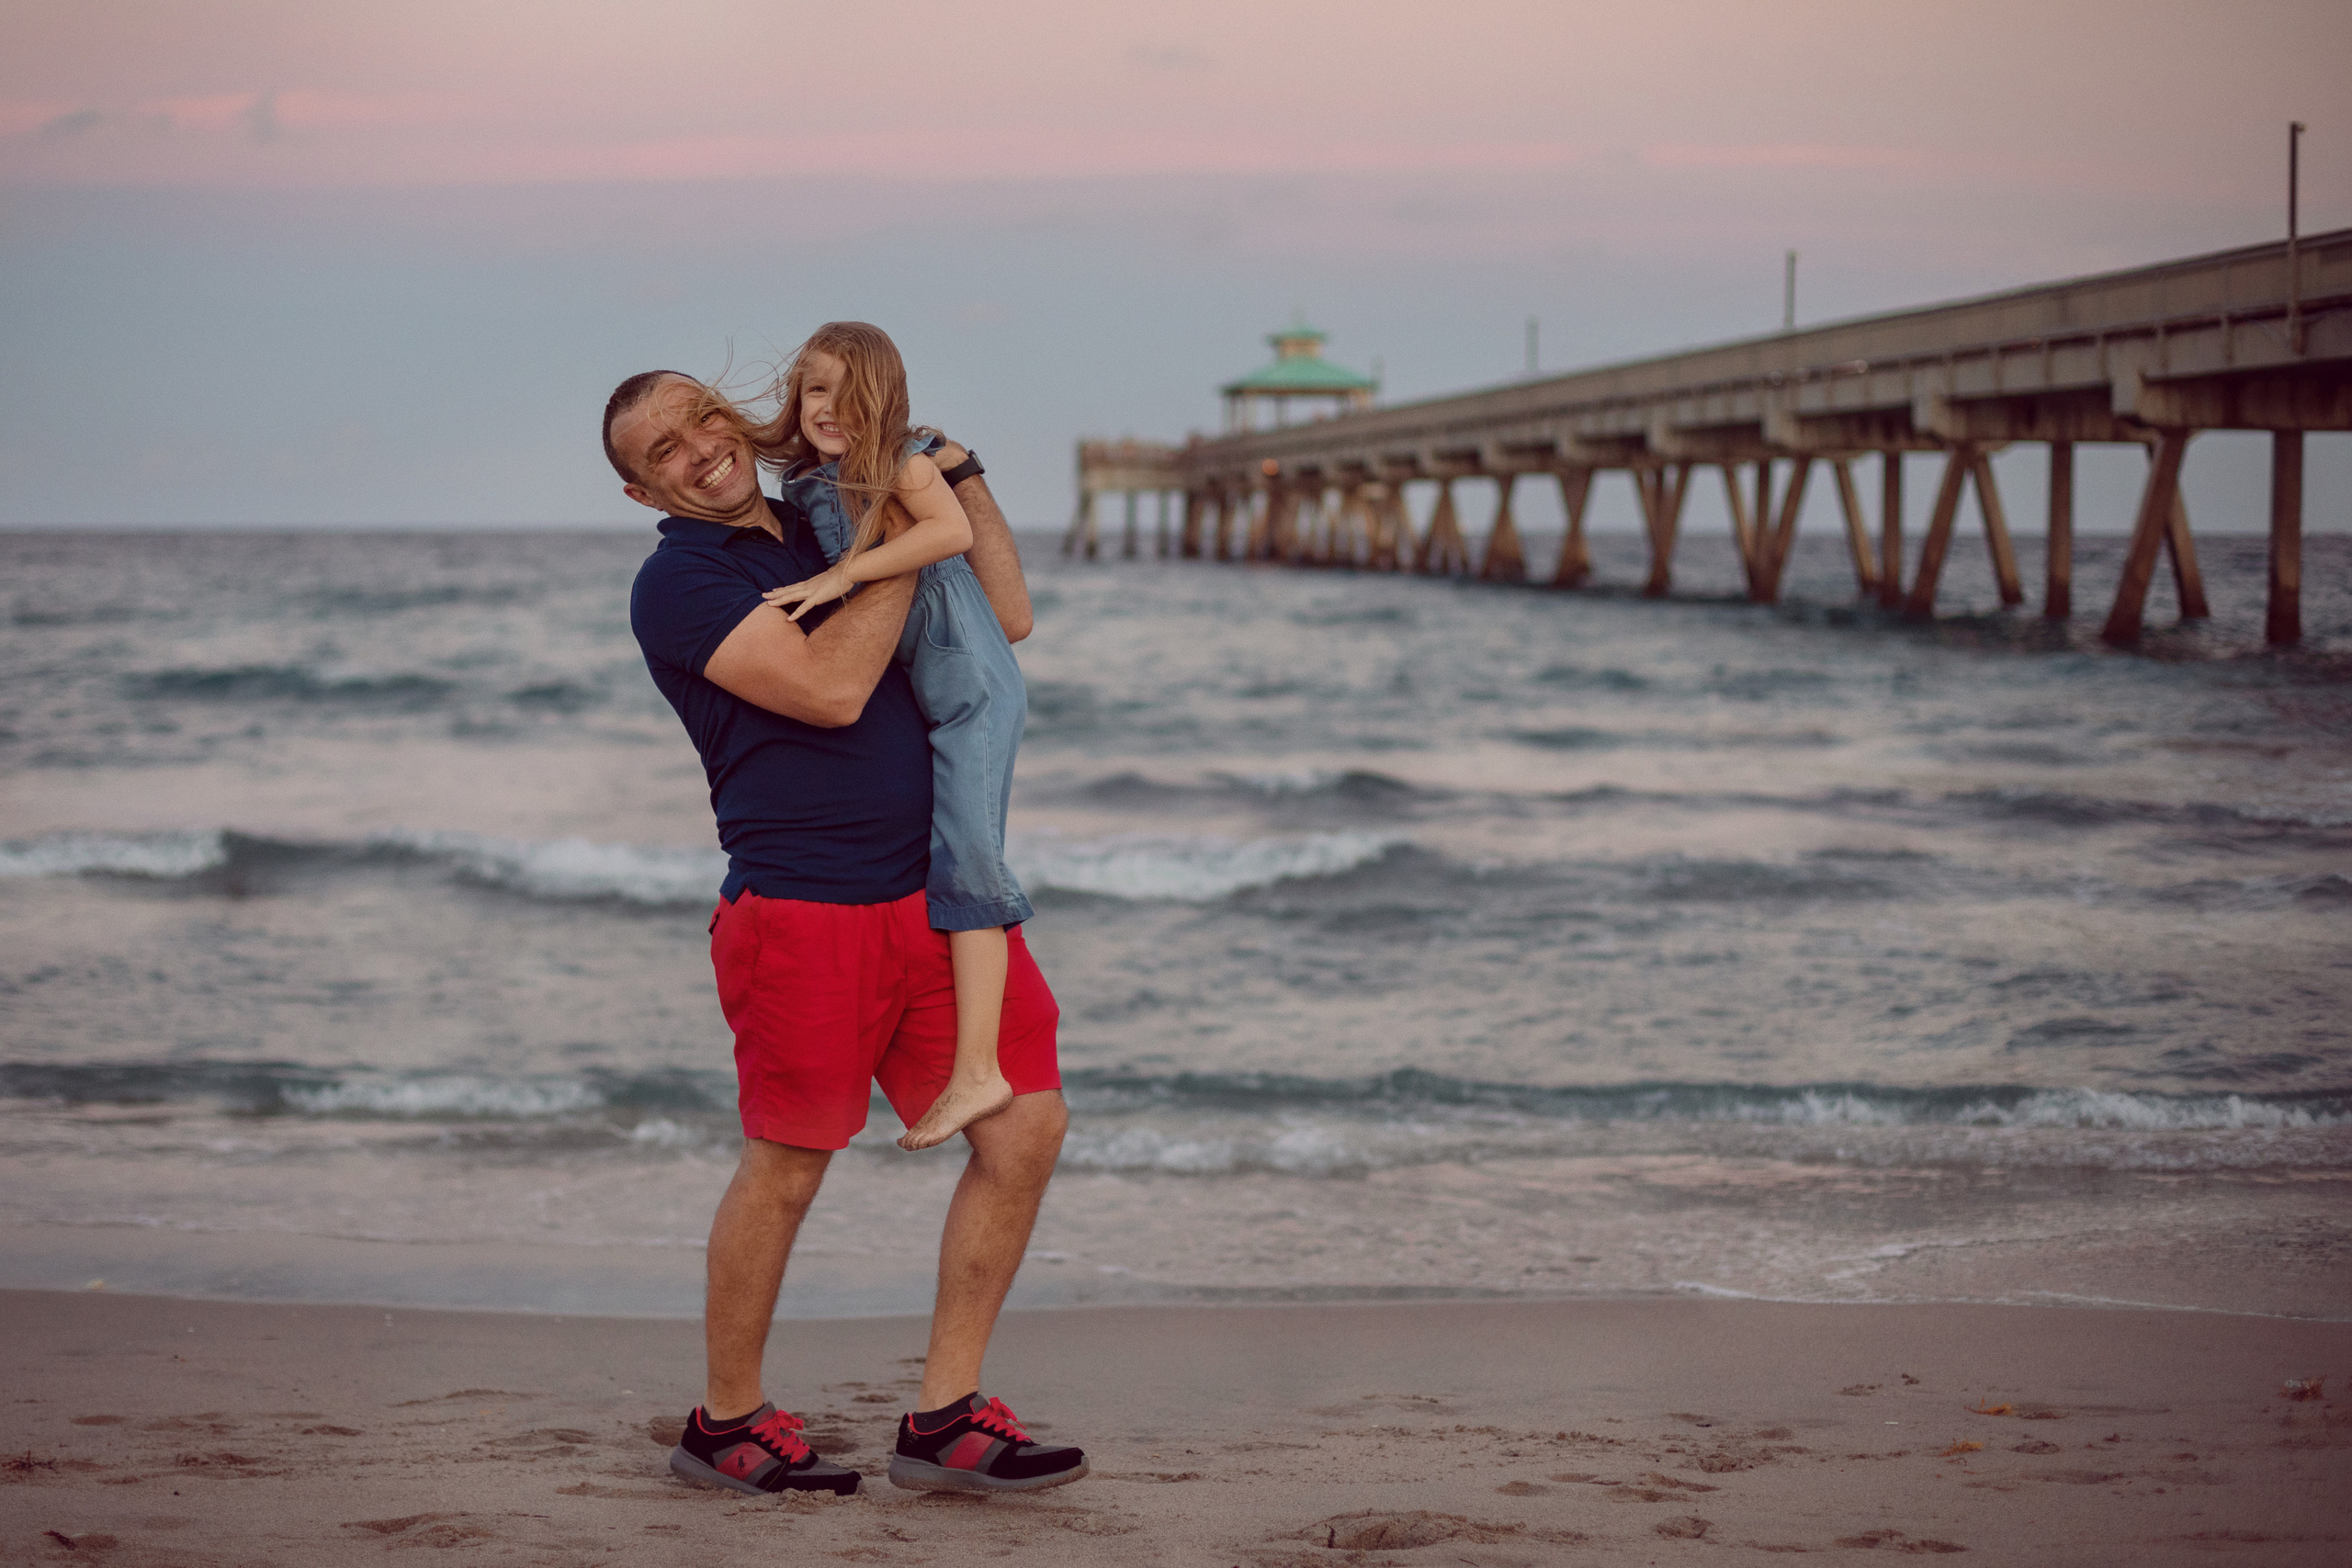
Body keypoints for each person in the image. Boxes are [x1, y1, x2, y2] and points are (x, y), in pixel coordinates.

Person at [607, 369, 1087, 1498]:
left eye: (702, 418)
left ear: (733, 415)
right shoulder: (679, 581)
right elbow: (829, 688)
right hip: (802, 910)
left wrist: (957, 484)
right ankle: (725, 1422)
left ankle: (946, 1416)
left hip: (936, 897)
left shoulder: (826, 513)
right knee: (787, 1166)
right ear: (643, 493)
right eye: (662, 451)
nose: (698, 449)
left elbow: (1007, 616)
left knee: (1025, 1125)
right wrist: (898, 535)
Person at [754, 322, 1032, 1155]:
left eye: (853, 395)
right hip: (933, 698)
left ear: (888, 404)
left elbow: (948, 532)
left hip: (975, 692)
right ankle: (969, 1061)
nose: (831, 409)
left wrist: (845, 573)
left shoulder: (902, 462)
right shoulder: (813, 478)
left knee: (970, 861)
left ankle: (978, 1070)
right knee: (951, 855)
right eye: (816, 390)